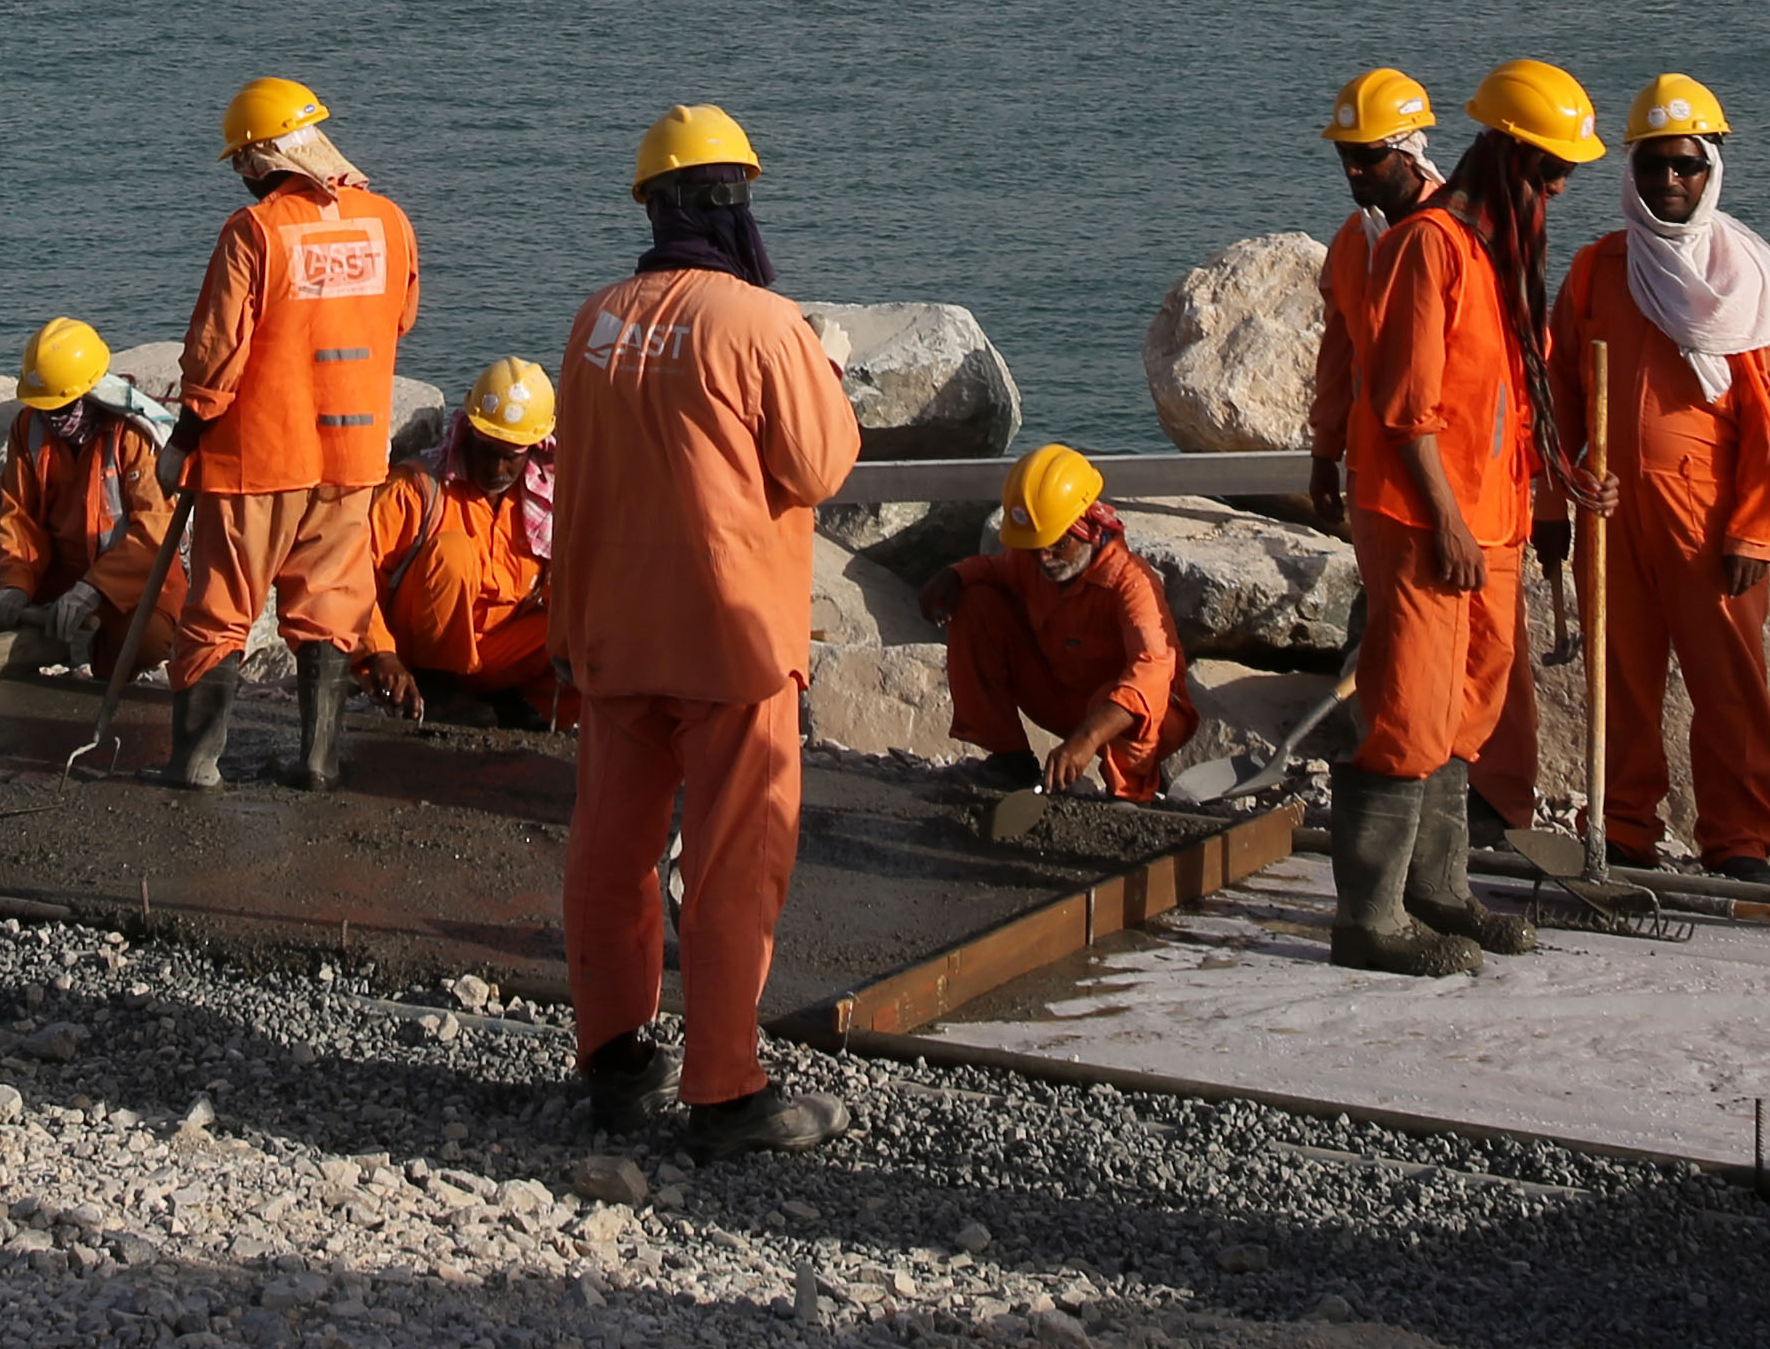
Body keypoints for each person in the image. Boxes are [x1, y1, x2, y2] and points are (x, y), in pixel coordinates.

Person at [553, 103, 860, 1158]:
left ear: (651, 204)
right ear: (740, 200)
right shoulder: (761, 325)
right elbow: (820, 467)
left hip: (612, 633)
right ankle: (726, 1091)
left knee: (609, 852)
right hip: (729, 640)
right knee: (734, 864)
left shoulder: (594, 318)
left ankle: (615, 1063)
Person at [1311, 58, 1598, 976]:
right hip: (1427, 515)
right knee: (1407, 704)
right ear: (1509, 155)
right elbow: (1403, 407)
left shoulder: (1502, 244)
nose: (1561, 184)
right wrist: (1444, 519)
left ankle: (1437, 890)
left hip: (1493, 512)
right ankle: (1370, 918)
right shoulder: (1428, 246)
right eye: (1551, 169)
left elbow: (1512, 394)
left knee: (1469, 703)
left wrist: (1556, 490)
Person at [1532, 72, 1770, 878]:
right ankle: (1621, 826)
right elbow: (1554, 397)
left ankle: (1740, 839)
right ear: (1632, 170)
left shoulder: (1745, 282)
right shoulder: (1597, 269)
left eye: (1685, 165)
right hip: (1611, 511)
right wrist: (1558, 495)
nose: (1669, 181)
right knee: (1619, 677)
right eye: (1654, 165)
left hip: (1710, 514)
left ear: (1712, 169)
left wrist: (1759, 530)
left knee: (1729, 684)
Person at [167, 76, 422, 793]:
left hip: (258, 459)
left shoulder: (254, 232)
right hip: (353, 458)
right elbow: (401, 318)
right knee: (332, 608)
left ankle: (195, 764)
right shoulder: (390, 223)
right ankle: (317, 761)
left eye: (243, 164)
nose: (243, 179)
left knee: (221, 610)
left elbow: (217, 354)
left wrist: (182, 440)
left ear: (259, 158)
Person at [925, 443, 1193, 800]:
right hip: (1063, 698)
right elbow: (995, 570)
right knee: (975, 601)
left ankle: (1132, 793)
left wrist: (1086, 739)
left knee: (1128, 696)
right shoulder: (1032, 560)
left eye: (1056, 545)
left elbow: (1153, 672)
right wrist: (954, 575)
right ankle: (1011, 762)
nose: (1045, 558)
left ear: (1086, 528)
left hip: (1129, 719)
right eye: (1036, 548)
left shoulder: (1132, 584)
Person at [0, 316, 183, 678]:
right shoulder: (29, 426)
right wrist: (14, 585)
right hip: (58, 569)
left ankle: (100, 667)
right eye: (43, 407)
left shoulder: (133, 436)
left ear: (89, 393)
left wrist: (94, 590)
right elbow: (17, 516)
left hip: (131, 581)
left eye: (60, 408)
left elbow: (154, 534)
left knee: (146, 639)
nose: (51, 418)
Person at [353, 357, 569, 728]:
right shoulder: (418, 490)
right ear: (469, 432)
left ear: (534, 449)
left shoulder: (548, 501)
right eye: (487, 451)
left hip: (494, 654)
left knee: (593, 630)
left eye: (509, 458)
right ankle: (437, 691)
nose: (496, 469)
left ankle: (528, 709)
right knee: (453, 553)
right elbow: (353, 575)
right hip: (421, 655)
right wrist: (380, 655)